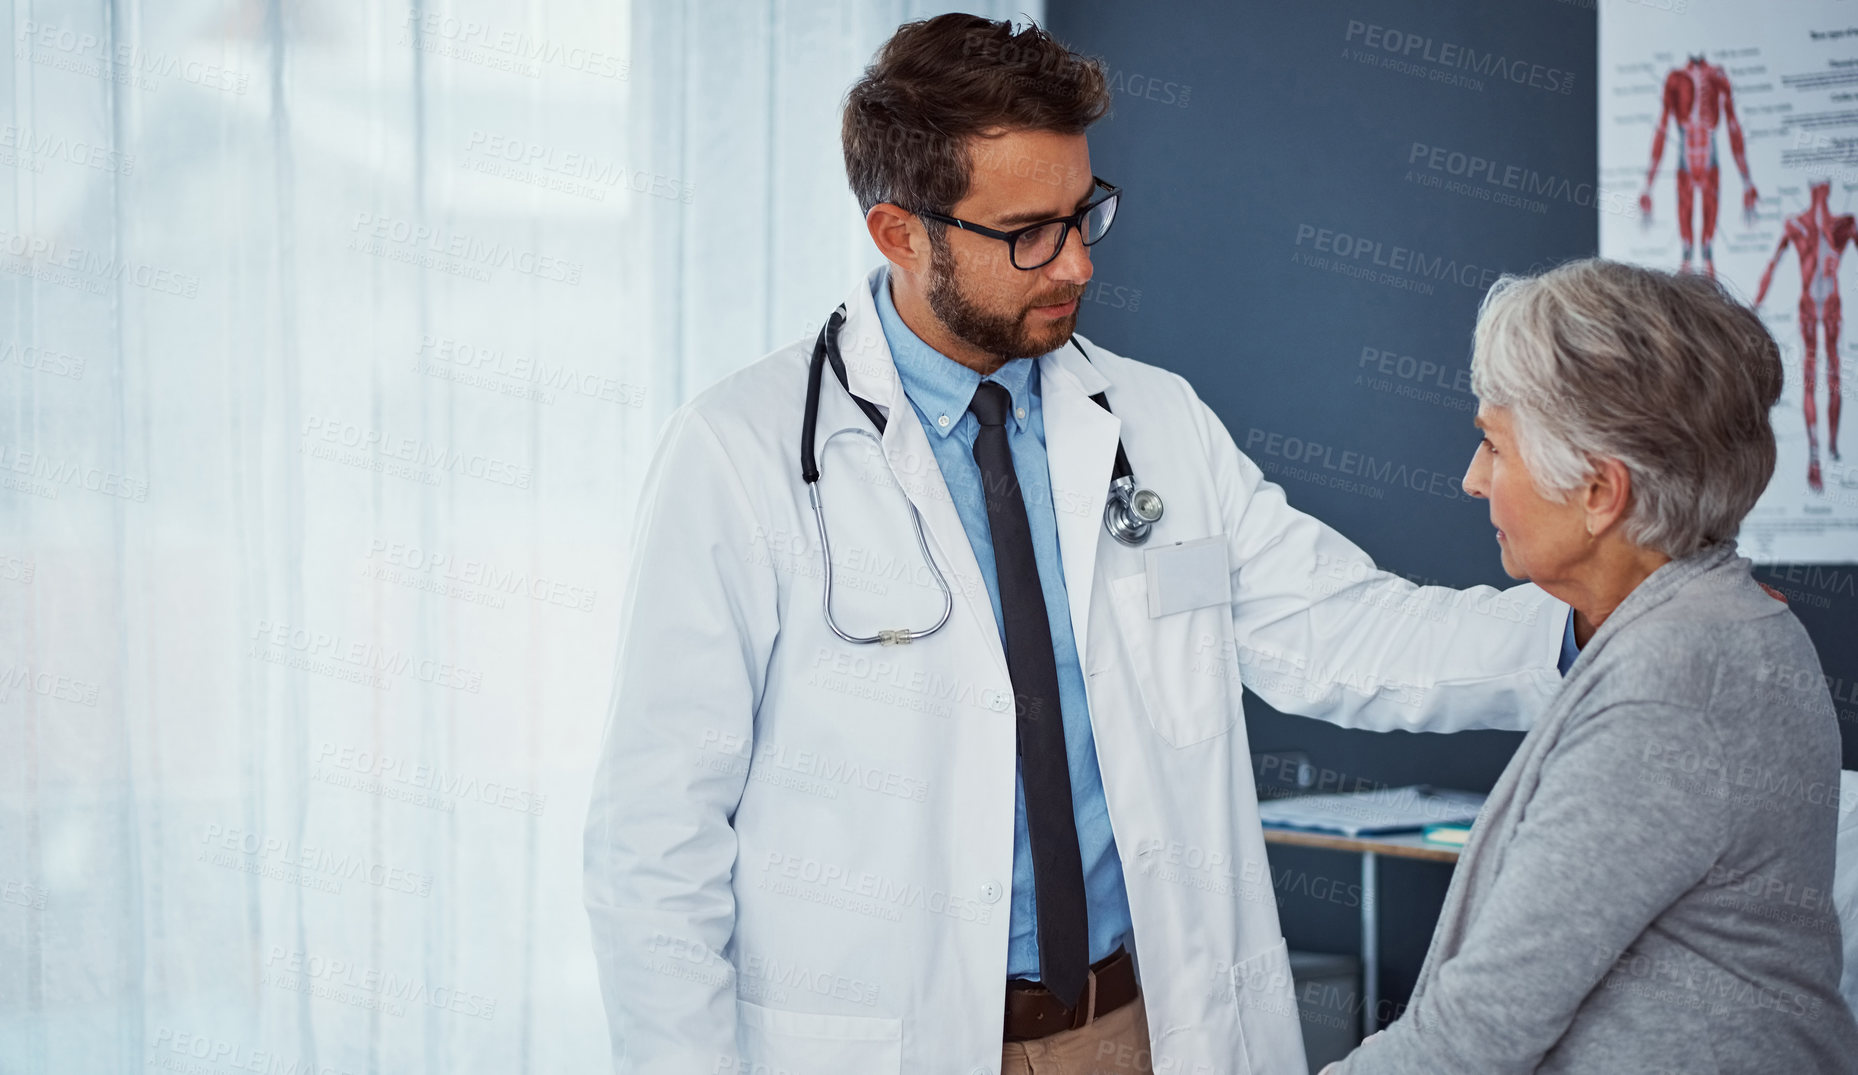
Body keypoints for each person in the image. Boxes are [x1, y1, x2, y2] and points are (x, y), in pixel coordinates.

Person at [585, 15, 1581, 1075]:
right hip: (884, 1044)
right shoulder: (742, 454)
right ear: (898, 233)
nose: (1076, 265)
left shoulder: (1155, 426)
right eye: (1028, 234)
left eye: (1083, 215)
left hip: (1142, 1029)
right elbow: (655, 839)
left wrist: (1593, 626)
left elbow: (1340, 630)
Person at [1325, 259, 1858, 1074]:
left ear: (1601, 492)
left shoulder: (1671, 686)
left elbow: (1475, 1034)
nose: (1473, 480)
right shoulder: (1727, 623)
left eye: (1493, 445)